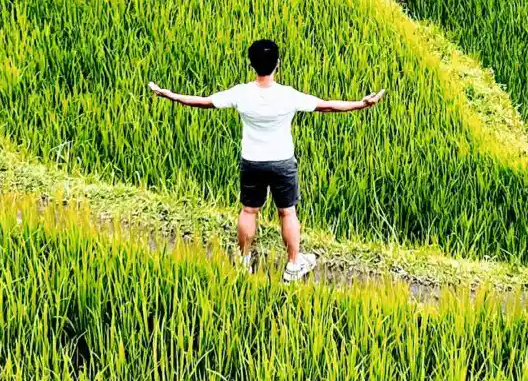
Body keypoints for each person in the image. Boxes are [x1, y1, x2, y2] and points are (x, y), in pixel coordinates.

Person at [148, 38, 383, 283]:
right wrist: (361, 104)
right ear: (277, 64)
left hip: (252, 161)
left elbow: (203, 102)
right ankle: (293, 265)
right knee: (287, 212)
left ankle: (244, 261)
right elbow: (327, 107)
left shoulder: (241, 93)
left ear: (251, 64)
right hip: (282, 162)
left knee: (249, 210)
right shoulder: (288, 95)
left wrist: (169, 95)